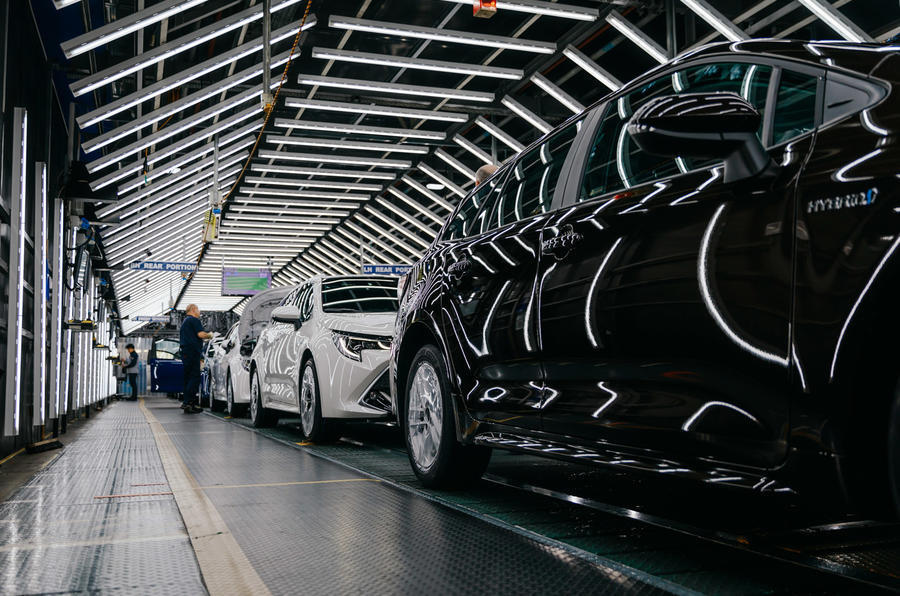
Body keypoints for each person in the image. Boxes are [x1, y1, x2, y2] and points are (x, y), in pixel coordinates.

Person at [180, 304, 213, 414]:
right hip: (192, 352)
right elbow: (200, 334)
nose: (199, 311)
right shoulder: (194, 320)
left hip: (185, 352)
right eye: (198, 309)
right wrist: (210, 335)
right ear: (193, 310)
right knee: (195, 377)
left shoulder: (185, 322)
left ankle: (188, 403)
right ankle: (189, 403)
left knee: (188, 378)